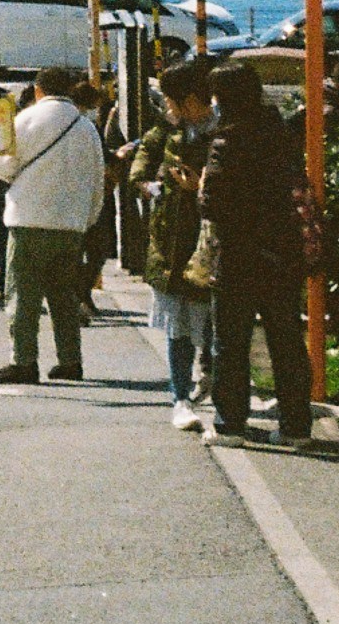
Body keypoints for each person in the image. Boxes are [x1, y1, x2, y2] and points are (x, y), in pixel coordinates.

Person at [202, 61, 312, 442]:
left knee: (231, 342)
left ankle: (230, 423)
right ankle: (297, 427)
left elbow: (212, 203)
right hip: (282, 250)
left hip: (238, 253)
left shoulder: (227, 140)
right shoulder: (279, 133)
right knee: (286, 339)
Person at [0, 66, 106, 384]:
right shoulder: (87, 127)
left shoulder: (26, 119)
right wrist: (87, 218)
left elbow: (2, 167)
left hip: (29, 219)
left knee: (23, 295)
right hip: (71, 224)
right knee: (64, 297)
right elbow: (98, 181)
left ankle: (23, 361)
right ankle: (70, 360)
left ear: (38, 90)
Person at [130, 60, 219, 429]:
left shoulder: (223, 131)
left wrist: (199, 186)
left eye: (169, 100)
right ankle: (180, 397)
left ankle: (212, 382)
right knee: (177, 327)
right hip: (170, 240)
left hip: (210, 243)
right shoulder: (168, 130)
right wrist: (144, 183)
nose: (165, 108)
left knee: (214, 325)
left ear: (190, 100)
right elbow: (144, 157)